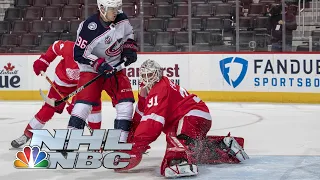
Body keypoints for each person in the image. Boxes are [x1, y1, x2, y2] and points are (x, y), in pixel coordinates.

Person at [115, 59, 249, 178]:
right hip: (196, 115)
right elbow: (140, 115)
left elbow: (152, 124)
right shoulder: (146, 89)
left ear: (158, 73)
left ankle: (179, 162)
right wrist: (130, 138)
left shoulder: (159, 88)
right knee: (192, 148)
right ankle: (224, 147)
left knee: (176, 139)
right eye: (145, 75)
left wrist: (136, 146)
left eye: (150, 75)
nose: (148, 78)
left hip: (192, 115)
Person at [66, 0, 137, 143]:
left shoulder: (121, 18)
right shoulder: (89, 27)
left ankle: (120, 143)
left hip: (115, 68)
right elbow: (79, 53)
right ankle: (69, 142)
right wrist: (98, 64)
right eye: (112, 9)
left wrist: (129, 49)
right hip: (91, 70)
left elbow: (129, 34)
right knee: (83, 106)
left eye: (117, 8)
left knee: (126, 106)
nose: (115, 11)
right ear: (102, 8)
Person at [11, 40, 102, 148]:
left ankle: (96, 138)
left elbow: (91, 84)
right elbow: (54, 47)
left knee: (94, 106)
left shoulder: (97, 58)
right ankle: (27, 134)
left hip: (84, 86)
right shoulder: (68, 47)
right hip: (61, 83)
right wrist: (44, 60)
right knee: (48, 109)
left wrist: (77, 102)